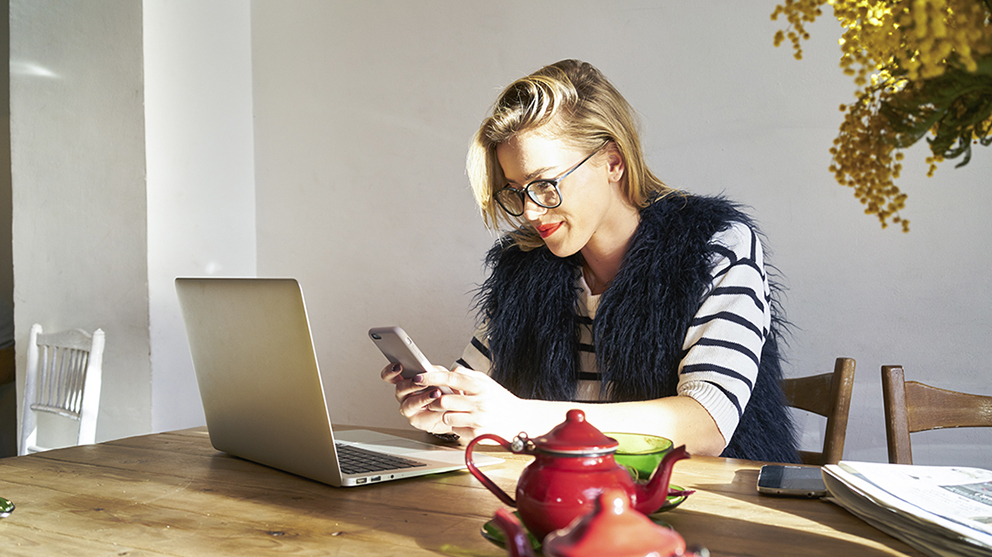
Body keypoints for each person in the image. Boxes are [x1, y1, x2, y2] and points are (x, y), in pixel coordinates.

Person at [381, 59, 799, 462]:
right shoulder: (524, 270)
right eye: (515, 190)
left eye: (544, 184)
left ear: (612, 162)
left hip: (702, 507)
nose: (529, 211)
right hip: (564, 501)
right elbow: (478, 397)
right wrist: (443, 411)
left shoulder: (713, 246)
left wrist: (521, 418)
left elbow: (706, 424)